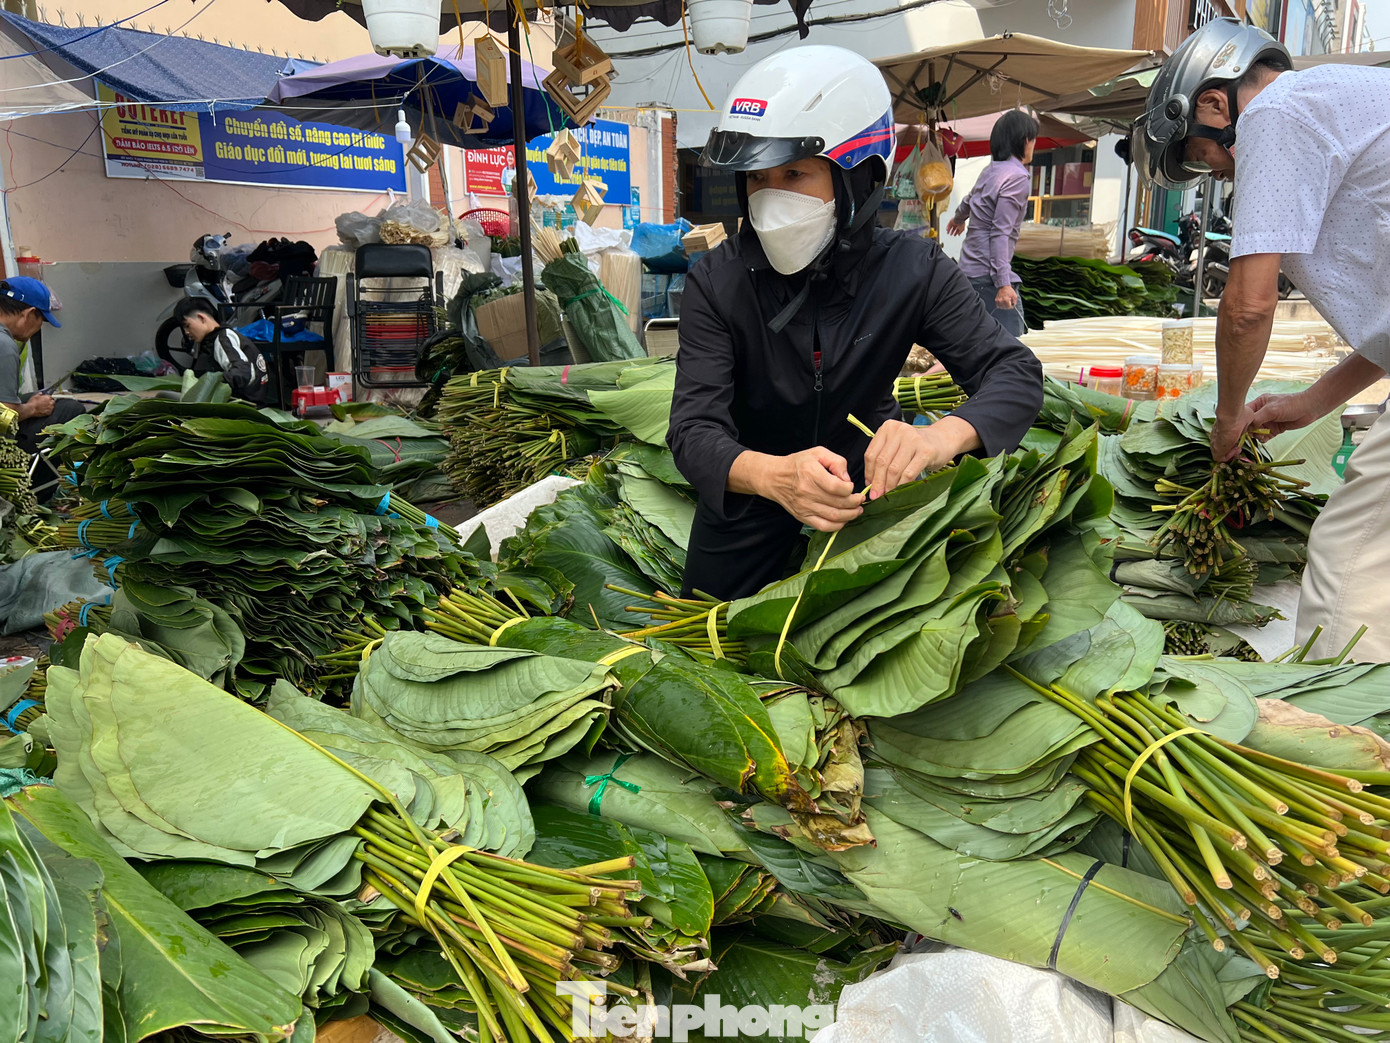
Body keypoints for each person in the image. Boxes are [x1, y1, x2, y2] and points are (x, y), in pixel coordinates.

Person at [668, 45, 1044, 602]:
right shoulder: (717, 282)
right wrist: (774, 477)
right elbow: (692, 430)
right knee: (707, 626)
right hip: (752, 494)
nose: (770, 199)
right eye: (757, 178)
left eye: (794, 173)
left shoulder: (913, 270)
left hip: (872, 494)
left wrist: (936, 439)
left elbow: (1014, 374)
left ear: (859, 177)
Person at [1132, 17, 1390, 659]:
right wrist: (1311, 403)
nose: (1220, 175)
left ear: (1215, 105)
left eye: (1204, 158)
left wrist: (1227, 418)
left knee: (1349, 560)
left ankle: (1329, 712)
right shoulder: (1335, 99)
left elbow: (1248, 307)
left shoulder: (1275, 113)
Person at [946, 110, 1039, 338]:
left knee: (975, 342)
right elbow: (1000, 233)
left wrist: (958, 219)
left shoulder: (991, 171)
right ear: (1025, 140)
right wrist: (1003, 284)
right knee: (1013, 346)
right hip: (989, 276)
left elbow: (969, 199)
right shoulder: (1017, 178)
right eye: (1033, 140)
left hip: (969, 271)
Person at [0, 277, 85, 454]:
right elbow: (4, 416)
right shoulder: (4, 345)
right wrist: (32, 409)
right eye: (42, 320)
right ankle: (33, 472)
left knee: (34, 397)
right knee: (69, 410)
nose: (39, 328)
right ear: (29, 314)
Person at [172, 297, 270, 404]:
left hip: (247, 404)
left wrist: (210, 383)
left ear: (201, 318)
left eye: (187, 326)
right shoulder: (218, 337)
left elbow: (243, 372)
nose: (186, 332)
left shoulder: (223, 339)